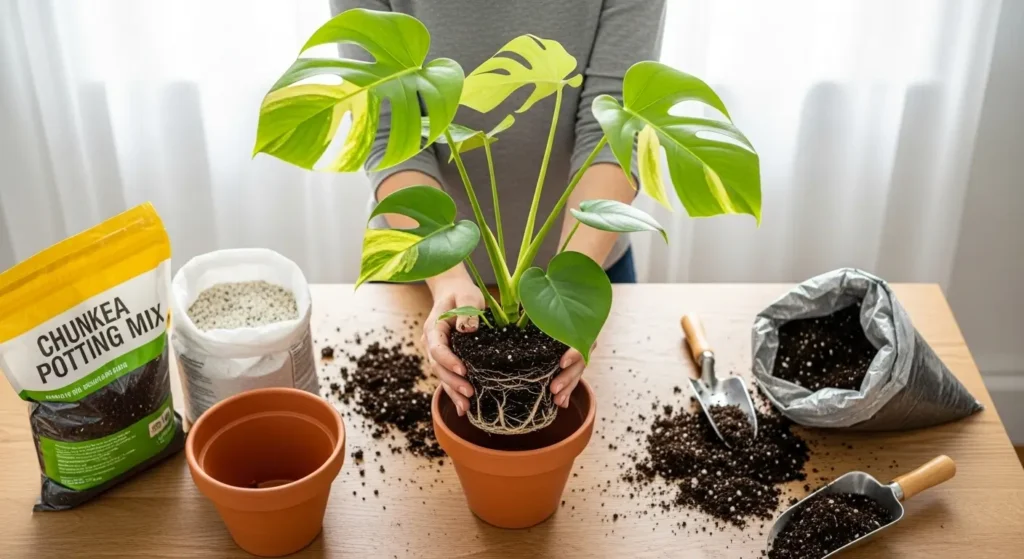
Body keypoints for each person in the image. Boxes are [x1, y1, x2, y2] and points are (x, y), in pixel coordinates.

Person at [333, 0, 666, 416]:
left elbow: (615, 127)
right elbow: (389, 139)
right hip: (426, 265)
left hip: (579, 270)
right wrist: (449, 280)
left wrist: (569, 302)